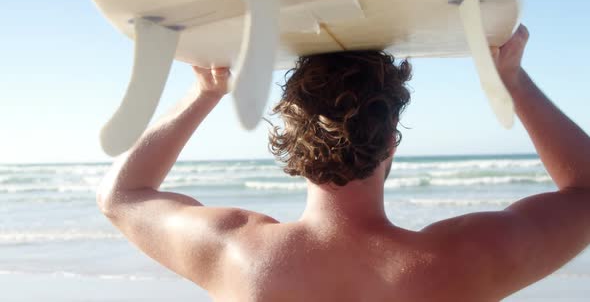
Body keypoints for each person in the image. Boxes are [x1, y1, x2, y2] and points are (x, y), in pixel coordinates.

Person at [97, 25, 590, 301]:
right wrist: (513, 80)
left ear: (291, 142)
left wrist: (203, 94)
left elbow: (123, 195)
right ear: (391, 144)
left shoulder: (238, 256)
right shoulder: (459, 262)